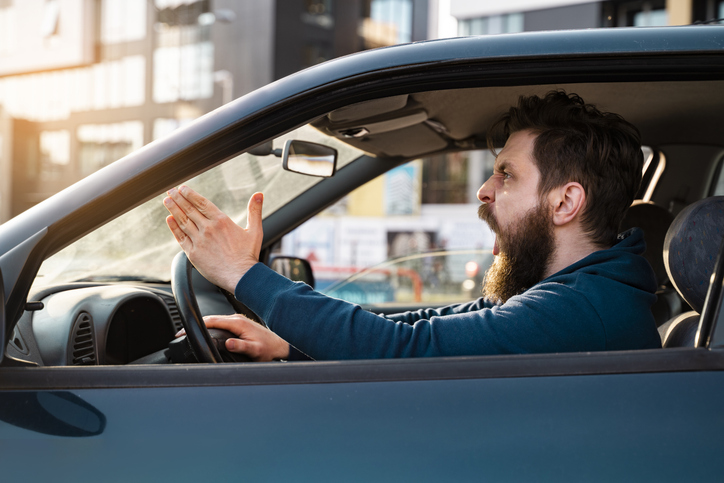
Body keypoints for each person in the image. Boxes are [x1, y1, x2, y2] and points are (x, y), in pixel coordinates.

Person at [163, 91, 662, 361]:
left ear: (565, 202)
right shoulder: (575, 292)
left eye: (506, 174)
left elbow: (410, 350)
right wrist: (288, 345)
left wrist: (242, 273)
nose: (484, 191)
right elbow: (427, 324)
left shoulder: (585, 310)